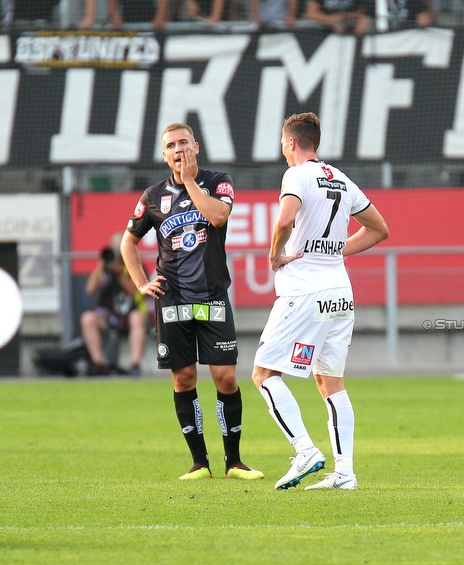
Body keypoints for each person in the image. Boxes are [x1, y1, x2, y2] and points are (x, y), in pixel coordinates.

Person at [252, 112, 389, 491]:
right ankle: (345, 473)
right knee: (331, 382)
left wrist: (275, 255)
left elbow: (284, 220)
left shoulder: (296, 175)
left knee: (263, 374)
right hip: (340, 293)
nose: (283, 150)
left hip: (304, 291)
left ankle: (305, 451)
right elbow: (380, 229)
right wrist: (335, 251)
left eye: (283, 143)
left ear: (292, 142)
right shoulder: (341, 179)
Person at [120, 122, 264, 482]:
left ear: (196, 146)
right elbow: (128, 243)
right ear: (164, 153)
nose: (178, 149)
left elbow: (217, 216)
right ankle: (200, 463)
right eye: (171, 145)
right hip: (172, 300)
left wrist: (188, 182)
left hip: (213, 297)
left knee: (226, 378)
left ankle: (234, 462)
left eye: (184, 142)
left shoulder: (219, 182)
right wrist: (141, 283)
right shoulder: (151, 196)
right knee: (183, 380)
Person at [80, 232, 147, 376]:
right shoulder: (105, 268)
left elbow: (135, 291)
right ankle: (98, 363)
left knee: (137, 318)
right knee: (88, 318)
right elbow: (90, 289)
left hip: (129, 314)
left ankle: (135, 364)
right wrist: (102, 264)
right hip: (108, 314)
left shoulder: (135, 264)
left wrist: (120, 274)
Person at [305, 0, 371, 34]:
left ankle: (356, 43)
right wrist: (330, 19)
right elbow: (310, 14)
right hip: (324, 26)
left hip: (350, 23)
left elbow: (362, 12)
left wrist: (342, 16)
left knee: (365, 21)